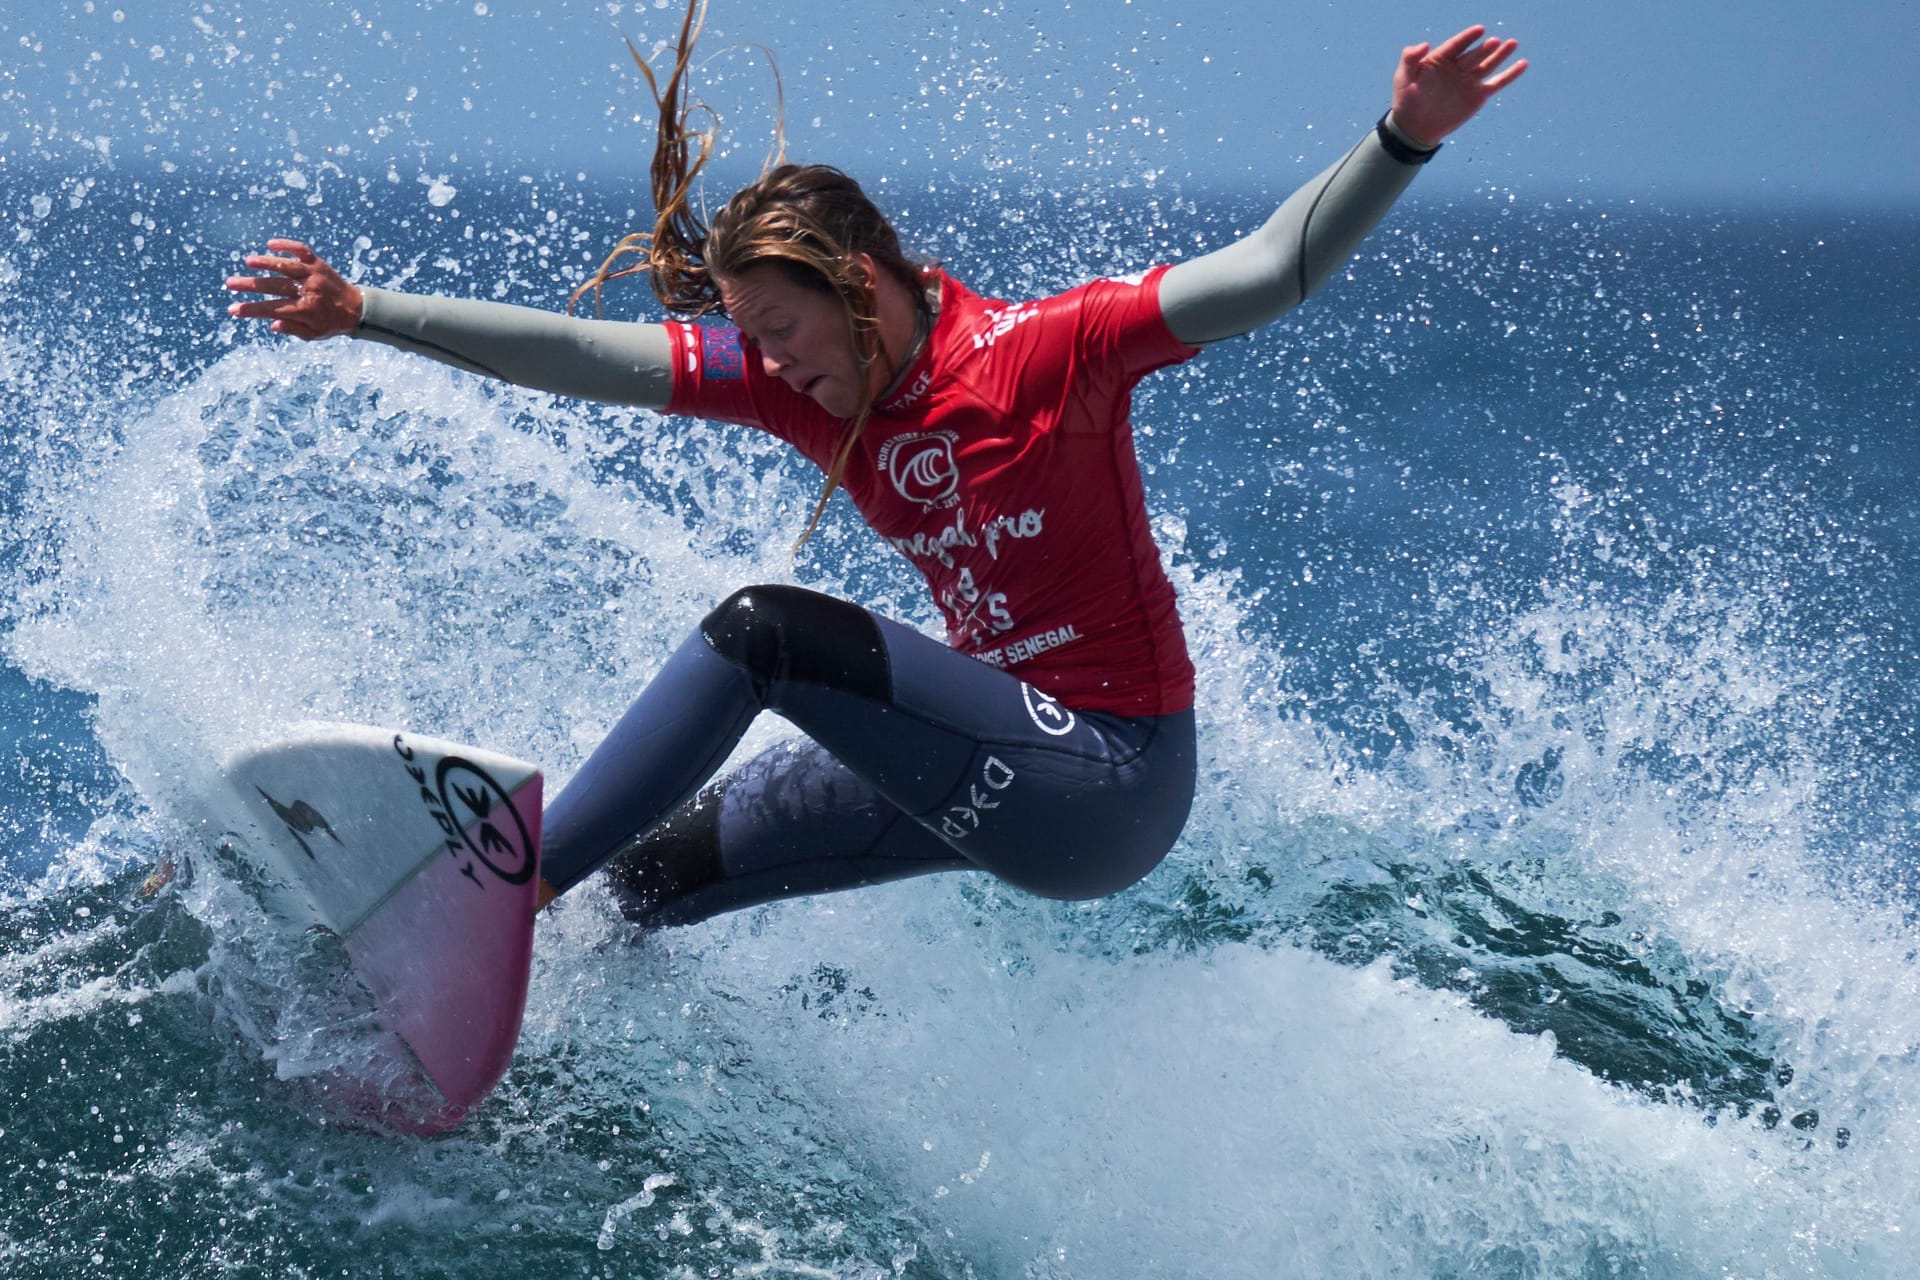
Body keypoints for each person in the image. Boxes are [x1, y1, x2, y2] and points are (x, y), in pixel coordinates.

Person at [225, 8, 1525, 929]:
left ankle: (498, 892)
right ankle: (514, 1015)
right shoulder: (808, 383)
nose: (772, 369)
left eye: (783, 333)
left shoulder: (1049, 357)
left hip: (1107, 783)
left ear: (857, 288)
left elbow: (1268, 271)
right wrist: (367, 309)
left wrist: (1400, 139)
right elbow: (583, 352)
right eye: (753, 342)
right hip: (970, 760)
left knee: (764, 637)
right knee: (647, 876)